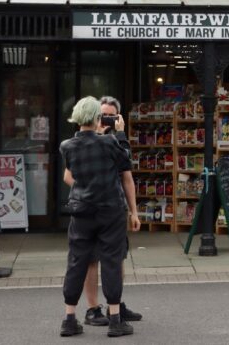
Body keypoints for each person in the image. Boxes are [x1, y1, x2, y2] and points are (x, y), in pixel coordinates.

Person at [59, 96, 141, 338]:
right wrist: (120, 133)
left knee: (77, 261)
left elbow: (73, 174)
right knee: (112, 261)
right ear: (97, 117)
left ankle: (69, 318)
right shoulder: (109, 143)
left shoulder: (67, 146)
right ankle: (115, 319)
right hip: (109, 209)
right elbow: (125, 160)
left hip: (81, 210)